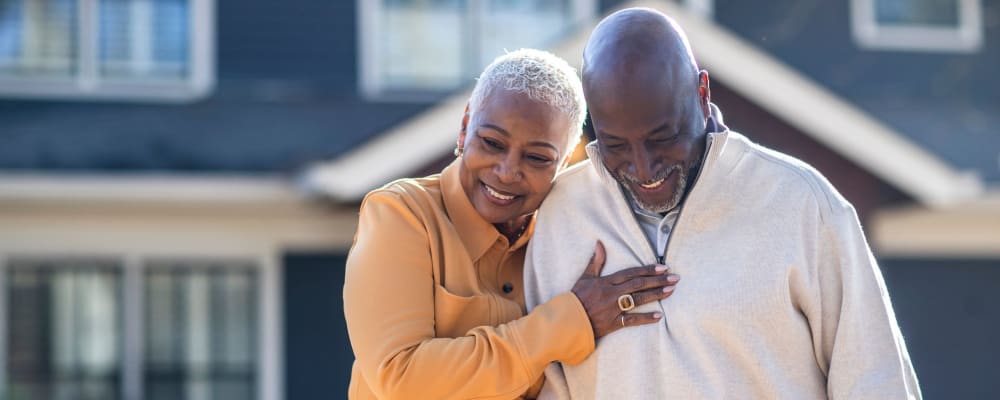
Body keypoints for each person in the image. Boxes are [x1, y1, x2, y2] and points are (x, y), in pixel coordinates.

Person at [524, 8, 922, 399]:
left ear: (702, 94)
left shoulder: (803, 204)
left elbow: (876, 382)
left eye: (662, 138)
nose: (643, 168)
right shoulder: (559, 214)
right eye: (616, 145)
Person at [343, 49, 681, 399]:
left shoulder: (564, 239)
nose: (506, 171)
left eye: (537, 158)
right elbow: (402, 380)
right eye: (491, 143)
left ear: (564, 162)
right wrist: (569, 321)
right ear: (464, 129)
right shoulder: (400, 216)